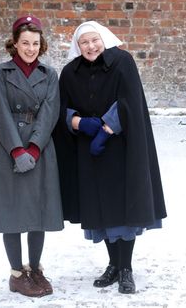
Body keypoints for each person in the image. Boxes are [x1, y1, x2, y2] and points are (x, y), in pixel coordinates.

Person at [53, 21, 167, 294]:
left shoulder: (122, 61)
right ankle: (113, 265)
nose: (90, 46)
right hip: (88, 152)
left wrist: (105, 128)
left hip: (120, 148)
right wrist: (79, 123)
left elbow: (129, 100)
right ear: (77, 46)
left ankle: (125, 267)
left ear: (103, 38)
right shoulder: (70, 72)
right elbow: (61, 109)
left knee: (123, 207)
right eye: (84, 42)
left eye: (94, 40)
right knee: (101, 209)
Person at [0, 15, 63, 297]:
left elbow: (50, 111)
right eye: (25, 42)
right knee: (12, 211)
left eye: (35, 43)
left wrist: (33, 147)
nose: (30, 48)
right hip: (8, 148)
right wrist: (17, 150)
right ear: (14, 43)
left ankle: (36, 269)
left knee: (38, 211)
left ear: (41, 45)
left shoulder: (49, 74)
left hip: (39, 148)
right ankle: (17, 273)